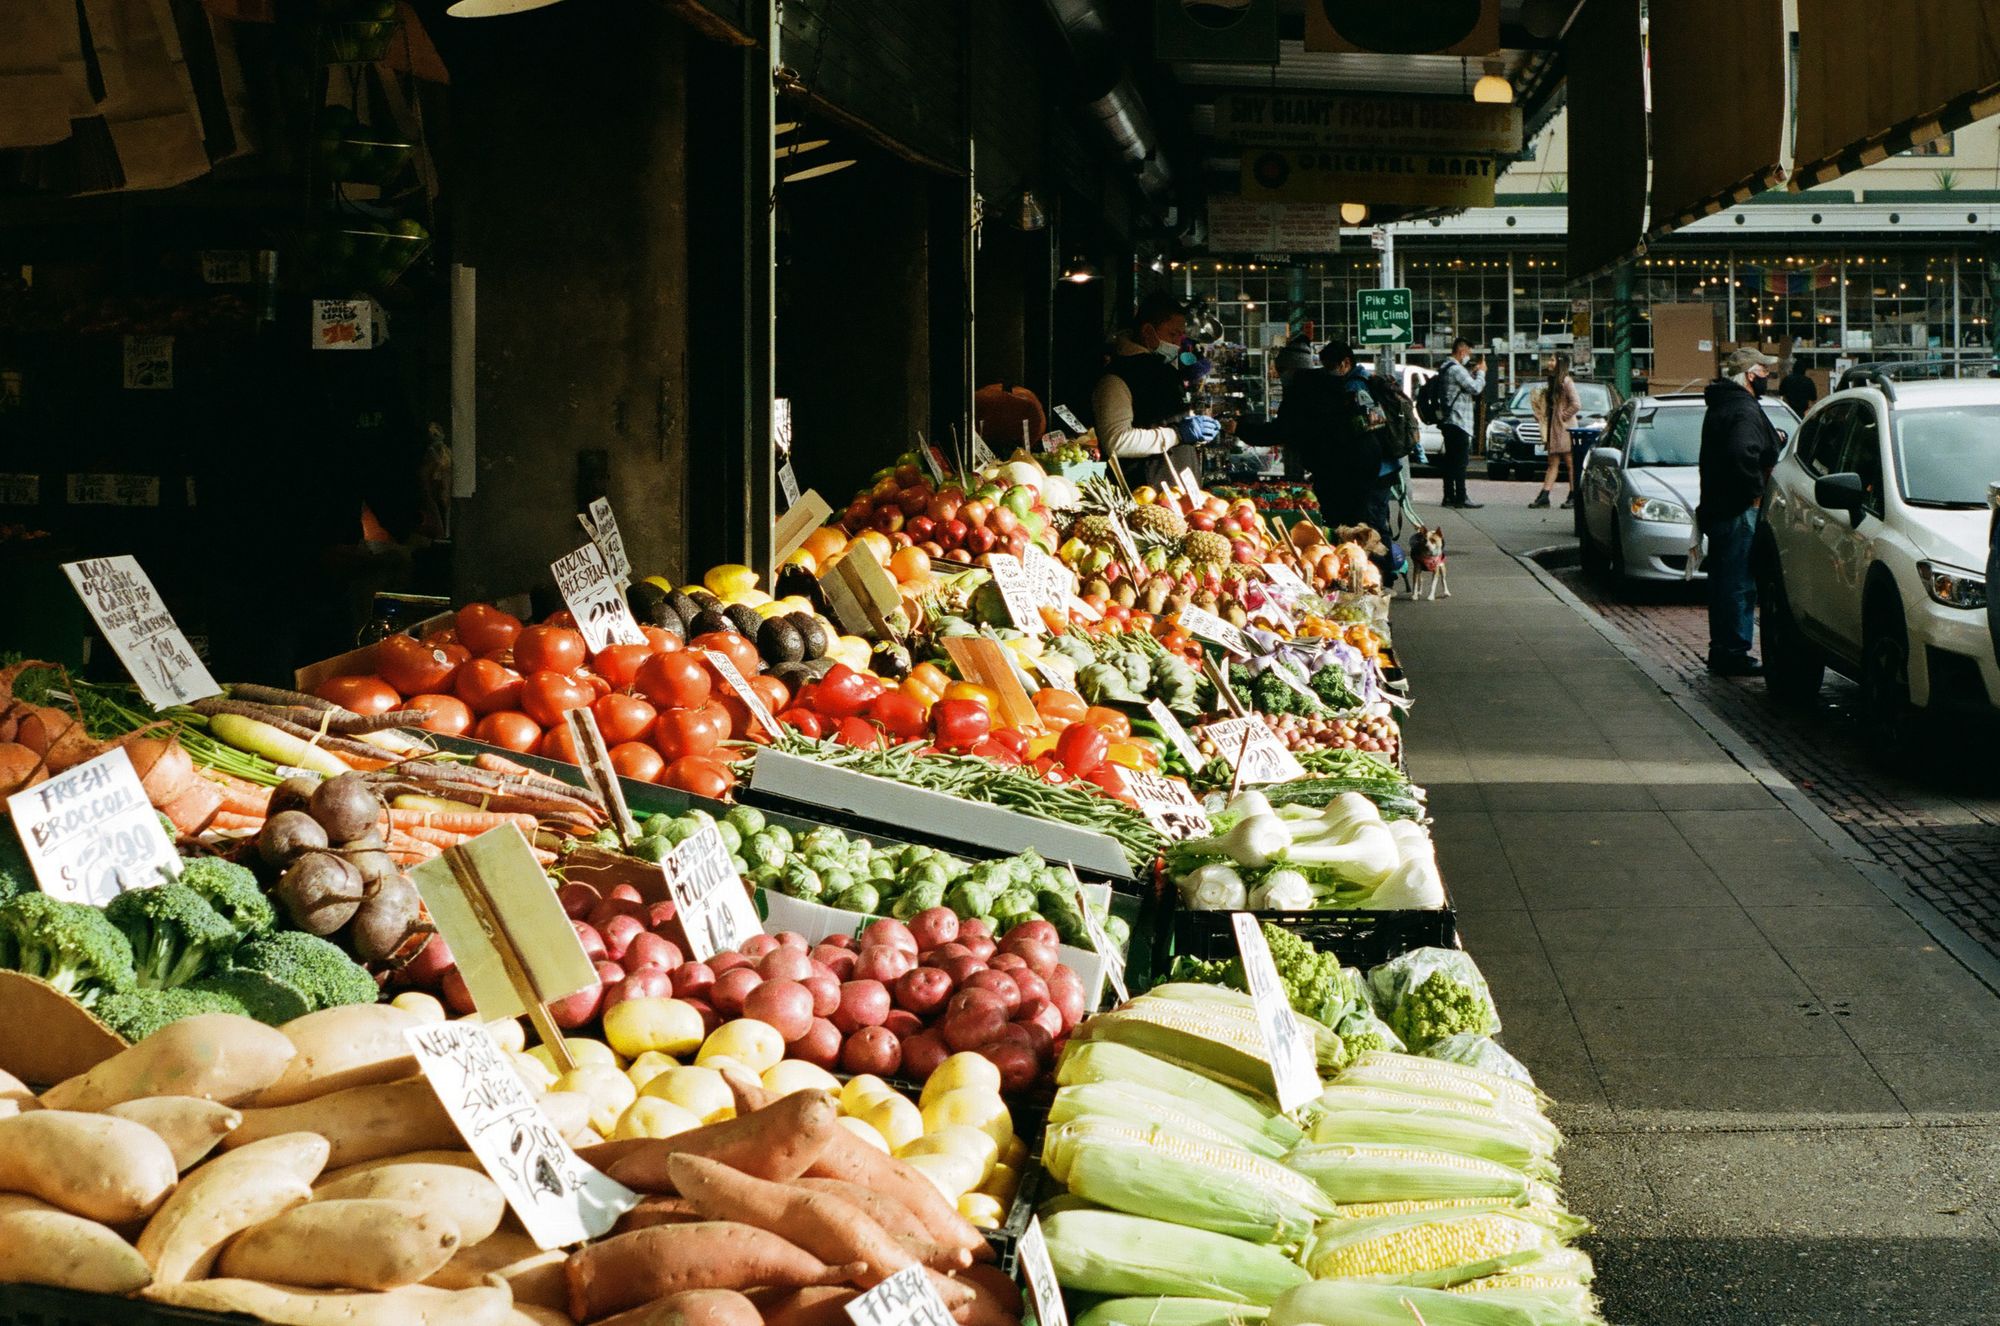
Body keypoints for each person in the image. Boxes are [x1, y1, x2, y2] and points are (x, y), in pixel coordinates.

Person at [1698, 347, 1784, 677]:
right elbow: (1742, 452)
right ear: (1749, 375)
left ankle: (1722, 647)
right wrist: (1755, 495)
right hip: (1738, 509)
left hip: (1719, 507)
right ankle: (1734, 650)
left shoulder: (1722, 405)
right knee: (1739, 584)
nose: (1767, 378)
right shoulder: (1744, 409)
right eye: (1764, 372)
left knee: (1722, 581)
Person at [1091, 291, 1219, 490]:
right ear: (1148, 331)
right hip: (1147, 496)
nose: (1177, 343)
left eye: (1181, 336)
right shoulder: (1115, 379)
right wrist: (1178, 434)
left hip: (1179, 497)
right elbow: (1117, 441)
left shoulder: (1162, 370)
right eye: (1172, 334)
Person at [1284, 341, 1396, 549]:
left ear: (1345, 363)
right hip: (1380, 468)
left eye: (1329, 367)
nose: (1327, 372)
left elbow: (1366, 427)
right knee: (1375, 522)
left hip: (1375, 471)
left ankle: (1384, 571)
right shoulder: (1363, 380)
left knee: (1371, 527)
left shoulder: (1355, 387)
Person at [1438, 338, 1485, 508]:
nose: (1468, 356)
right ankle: (1461, 497)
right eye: (1468, 353)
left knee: (1450, 461)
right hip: (1459, 421)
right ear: (1462, 351)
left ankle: (1449, 496)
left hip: (1448, 420)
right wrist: (1481, 373)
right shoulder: (1457, 369)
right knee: (1460, 462)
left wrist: (1471, 373)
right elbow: (1475, 388)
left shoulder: (1445, 367)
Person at [1529, 358, 1582, 509]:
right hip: (1555, 429)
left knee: (1570, 463)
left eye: (1552, 359)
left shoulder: (1566, 381)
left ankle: (1573, 495)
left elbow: (1577, 403)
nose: (1549, 362)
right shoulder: (1554, 382)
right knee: (1553, 463)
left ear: (1560, 363)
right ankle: (1544, 496)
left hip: (1564, 429)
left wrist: (1563, 416)